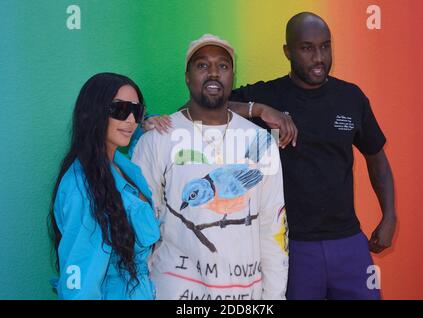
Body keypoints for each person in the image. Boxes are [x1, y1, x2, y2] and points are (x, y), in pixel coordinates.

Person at [229, 12, 397, 299]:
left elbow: (376, 156)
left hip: (348, 241)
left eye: (325, 46)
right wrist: (259, 110)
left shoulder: (351, 97)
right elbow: (205, 108)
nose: (319, 57)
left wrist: (389, 215)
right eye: (307, 48)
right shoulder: (269, 94)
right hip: (292, 246)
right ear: (288, 52)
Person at [132, 34, 288, 300]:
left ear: (232, 76)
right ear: (187, 76)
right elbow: (139, 227)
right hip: (174, 293)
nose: (214, 73)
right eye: (202, 65)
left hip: (243, 297)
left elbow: (272, 226)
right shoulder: (156, 140)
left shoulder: (260, 141)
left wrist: (274, 296)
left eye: (223, 66)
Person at [48, 72, 160, 299]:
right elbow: (80, 289)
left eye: (136, 111)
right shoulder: (84, 190)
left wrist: (149, 122)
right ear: (94, 112)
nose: (130, 120)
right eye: (119, 109)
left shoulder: (122, 166)